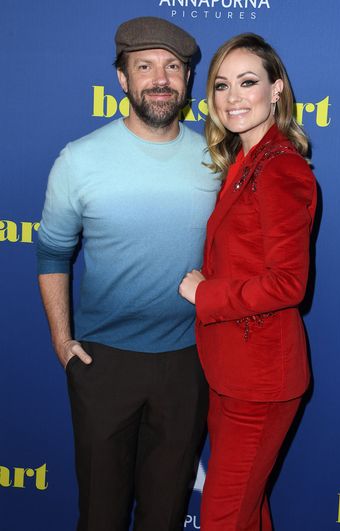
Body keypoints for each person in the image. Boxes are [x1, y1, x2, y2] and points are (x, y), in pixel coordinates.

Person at [37, 16, 219, 531]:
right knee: (100, 514)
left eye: (173, 67)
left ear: (186, 80)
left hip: (188, 362)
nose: (160, 78)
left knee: (163, 515)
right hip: (103, 363)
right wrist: (61, 339)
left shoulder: (217, 156)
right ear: (122, 79)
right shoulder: (79, 160)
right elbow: (51, 251)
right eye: (145, 66)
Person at [179, 33, 317, 530]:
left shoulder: (282, 169)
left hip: (259, 382)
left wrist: (204, 293)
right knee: (245, 510)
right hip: (230, 371)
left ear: (276, 90)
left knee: (223, 517)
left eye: (248, 82)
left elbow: (287, 283)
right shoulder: (241, 161)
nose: (233, 97)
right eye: (221, 85)